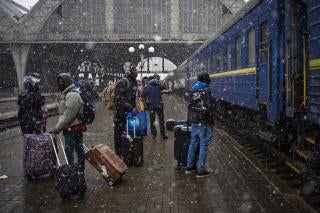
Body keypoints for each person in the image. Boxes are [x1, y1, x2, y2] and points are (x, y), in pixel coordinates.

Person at [51, 73, 86, 171]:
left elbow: (68, 115)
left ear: (67, 82)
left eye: (62, 82)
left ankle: (74, 171)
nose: (60, 84)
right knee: (77, 150)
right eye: (59, 82)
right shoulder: (67, 94)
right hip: (70, 128)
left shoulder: (72, 95)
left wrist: (57, 128)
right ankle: (77, 171)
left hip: (73, 129)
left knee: (71, 151)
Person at [185, 72, 215, 177]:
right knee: (203, 145)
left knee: (193, 143)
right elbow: (209, 107)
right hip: (204, 122)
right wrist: (211, 121)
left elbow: (190, 105)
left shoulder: (193, 89)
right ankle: (200, 170)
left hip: (194, 121)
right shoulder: (206, 90)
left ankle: (189, 166)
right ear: (206, 79)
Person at [113, 64, 138, 155]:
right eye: (134, 70)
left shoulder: (134, 82)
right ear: (129, 71)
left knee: (130, 133)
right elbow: (119, 99)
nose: (137, 71)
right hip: (121, 114)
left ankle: (127, 152)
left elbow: (132, 98)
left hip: (129, 114)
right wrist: (131, 108)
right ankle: (119, 154)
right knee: (119, 135)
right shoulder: (123, 82)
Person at [142, 74, 168, 141]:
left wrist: (146, 102)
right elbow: (165, 87)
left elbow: (142, 95)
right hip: (159, 105)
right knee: (161, 121)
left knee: (152, 121)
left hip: (151, 106)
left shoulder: (147, 86)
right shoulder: (158, 85)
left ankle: (154, 135)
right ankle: (163, 135)